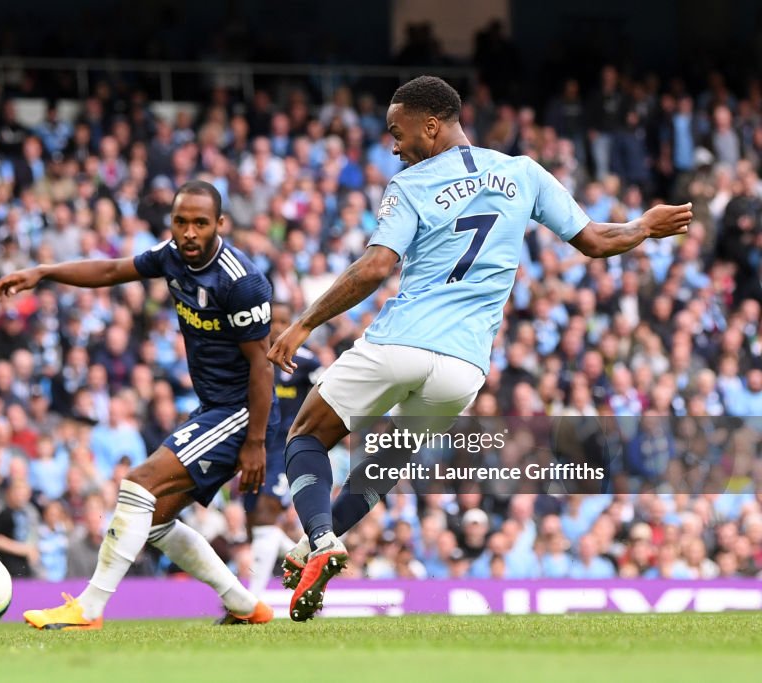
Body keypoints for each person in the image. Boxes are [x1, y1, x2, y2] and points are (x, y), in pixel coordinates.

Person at [266, 75, 693, 621]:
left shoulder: (411, 184)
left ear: (432, 125)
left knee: (305, 434)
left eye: (398, 133)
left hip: (402, 341)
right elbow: (594, 241)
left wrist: (304, 324)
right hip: (465, 369)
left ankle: (321, 537)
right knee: (384, 463)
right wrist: (643, 226)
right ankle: (311, 549)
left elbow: (377, 265)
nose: (393, 146)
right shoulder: (524, 172)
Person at [0, 180, 279, 630]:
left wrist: (256, 441)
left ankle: (87, 609)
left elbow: (263, 368)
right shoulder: (171, 256)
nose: (188, 232)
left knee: (139, 485)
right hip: (214, 408)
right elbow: (110, 271)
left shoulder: (241, 282)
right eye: (181, 221)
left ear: (219, 224)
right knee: (154, 519)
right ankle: (246, 605)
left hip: (241, 412)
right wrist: (44, 272)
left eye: (200, 223)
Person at [244, 302, 322, 597]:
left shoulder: (308, 363)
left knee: (266, 514)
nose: (278, 328)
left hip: (284, 449)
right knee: (255, 525)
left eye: (285, 321)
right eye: (273, 321)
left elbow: (327, 393)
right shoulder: (255, 358)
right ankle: (312, 568)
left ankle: (251, 598)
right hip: (253, 447)